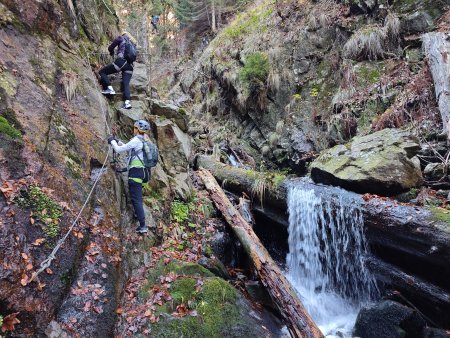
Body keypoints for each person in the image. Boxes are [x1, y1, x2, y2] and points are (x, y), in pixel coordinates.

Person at [108, 120, 152, 234]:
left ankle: (143, 226)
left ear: (137, 129)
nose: (133, 129)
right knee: (137, 198)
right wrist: (118, 141)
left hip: (136, 173)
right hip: (143, 173)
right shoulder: (142, 140)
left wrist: (112, 142)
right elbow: (129, 148)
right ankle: (139, 215)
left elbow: (118, 150)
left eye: (134, 127)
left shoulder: (136, 140)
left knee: (137, 200)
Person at [99, 31, 136, 109]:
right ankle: (127, 103)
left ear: (123, 34)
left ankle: (109, 89)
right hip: (130, 66)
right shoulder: (133, 43)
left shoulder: (120, 38)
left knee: (102, 72)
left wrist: (112, 52)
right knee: (126, 84)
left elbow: (110, 48)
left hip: (121, 62)